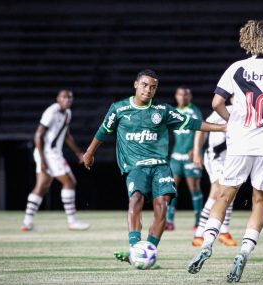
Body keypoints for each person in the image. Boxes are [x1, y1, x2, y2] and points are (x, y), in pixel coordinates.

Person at [188, 20, 263, 283]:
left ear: (248, 40)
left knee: (223, 196)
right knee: (259, 202)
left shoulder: (237, 68)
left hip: (240, 142)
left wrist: (232, 120)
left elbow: (217, 102)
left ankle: (207, 242)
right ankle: (244, 251)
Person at [82, 69, 225, 263]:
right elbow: (103, 131)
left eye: (153, 87)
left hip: (160, 165)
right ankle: (135, 249)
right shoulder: (119, 109)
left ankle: (148, 250)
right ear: (135, 84)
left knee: (162, 206)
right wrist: (89, 153)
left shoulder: (163, 110)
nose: (148, 90)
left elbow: (193, 123)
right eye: (145, 85)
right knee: (136, 199)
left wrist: (224, 127)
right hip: (135, 166)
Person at [21, 90, 90, 231]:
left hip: (50, 154)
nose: (67, 100)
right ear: (58, 99)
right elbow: (38, 135)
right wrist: (43, 159)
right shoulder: (51, 112)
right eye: (64, 97)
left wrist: (78, 153)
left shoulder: (67, 113)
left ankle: (27, 223)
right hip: (48, 154)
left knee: (42, 186)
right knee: (70, 182)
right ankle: (72, 221)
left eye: (70, 97)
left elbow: (66, 135)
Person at [191, 97, 237, 247]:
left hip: (231, 159)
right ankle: (203, 234)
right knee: (218, 192)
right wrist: (197, 151)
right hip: (216, 157)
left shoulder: (245, 112)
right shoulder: (226, 110)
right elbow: (201, 128)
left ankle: (217, 233)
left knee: (229, 193)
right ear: (232, 98)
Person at [166, 86, 204, 231]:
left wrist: (196, 150)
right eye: (180, 94)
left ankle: (198, 222)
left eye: (186, 95)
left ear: (190, 97)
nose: (183, 97)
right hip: (176, 156)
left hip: (190, 156)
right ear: (176, 96)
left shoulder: (194, 112)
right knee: (171, 188)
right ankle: (169, 221)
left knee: (194, 188)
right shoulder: (173, 112)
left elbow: (202, 131)